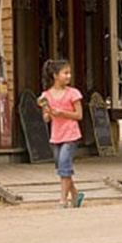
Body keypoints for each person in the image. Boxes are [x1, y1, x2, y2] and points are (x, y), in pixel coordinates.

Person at [38, 59, 85, 209]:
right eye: (65, 73)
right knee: (62, 168)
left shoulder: (73, 93)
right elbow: (46, 118)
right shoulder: (46, 95)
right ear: (55, 75)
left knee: (64, 165)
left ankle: (63, 199)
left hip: (71, 134)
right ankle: (76, 194)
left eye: (69, 73)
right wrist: (47, 113)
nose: (68, 76)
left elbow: (79, 115)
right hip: (56, 135)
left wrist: (62, 113)